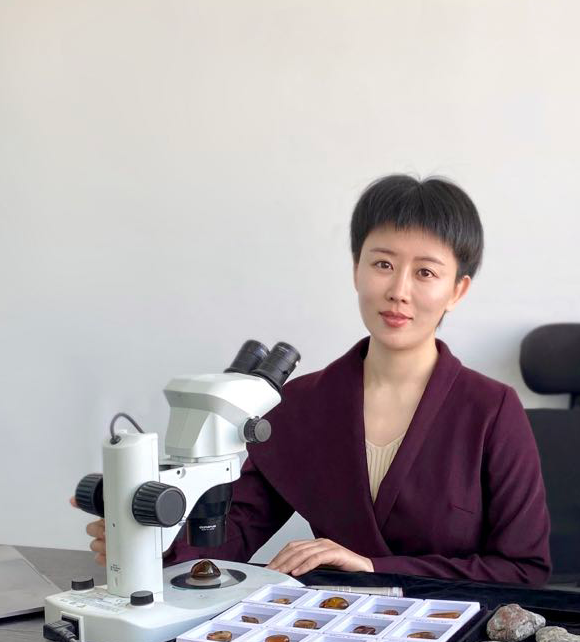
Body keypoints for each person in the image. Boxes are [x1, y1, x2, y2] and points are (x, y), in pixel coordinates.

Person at [78, 174, 551, 586]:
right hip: (328, 630)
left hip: (454, 635)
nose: (398, 291)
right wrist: (151, 544)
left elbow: (524, 570)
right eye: (383, 264)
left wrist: (374, 567)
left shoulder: (491, 410)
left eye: (425, 272)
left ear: (457, 290)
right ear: (356, 269)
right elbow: (234, 532)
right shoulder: (300, 405)